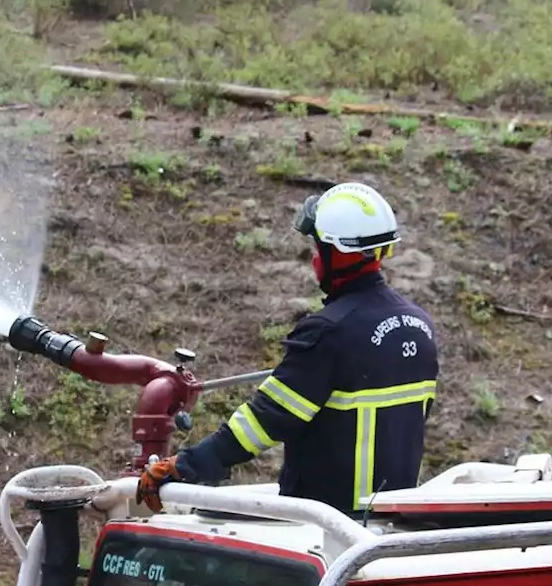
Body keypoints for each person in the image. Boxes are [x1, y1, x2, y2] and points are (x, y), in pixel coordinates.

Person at [136, 181, 440, 514]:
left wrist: (186, 464)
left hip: (326, 526)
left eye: (317, 247)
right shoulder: (419, 325)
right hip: (391, 522)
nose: (314, 259)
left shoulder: (328, 332)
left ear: (336, 254)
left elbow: (263, 421)